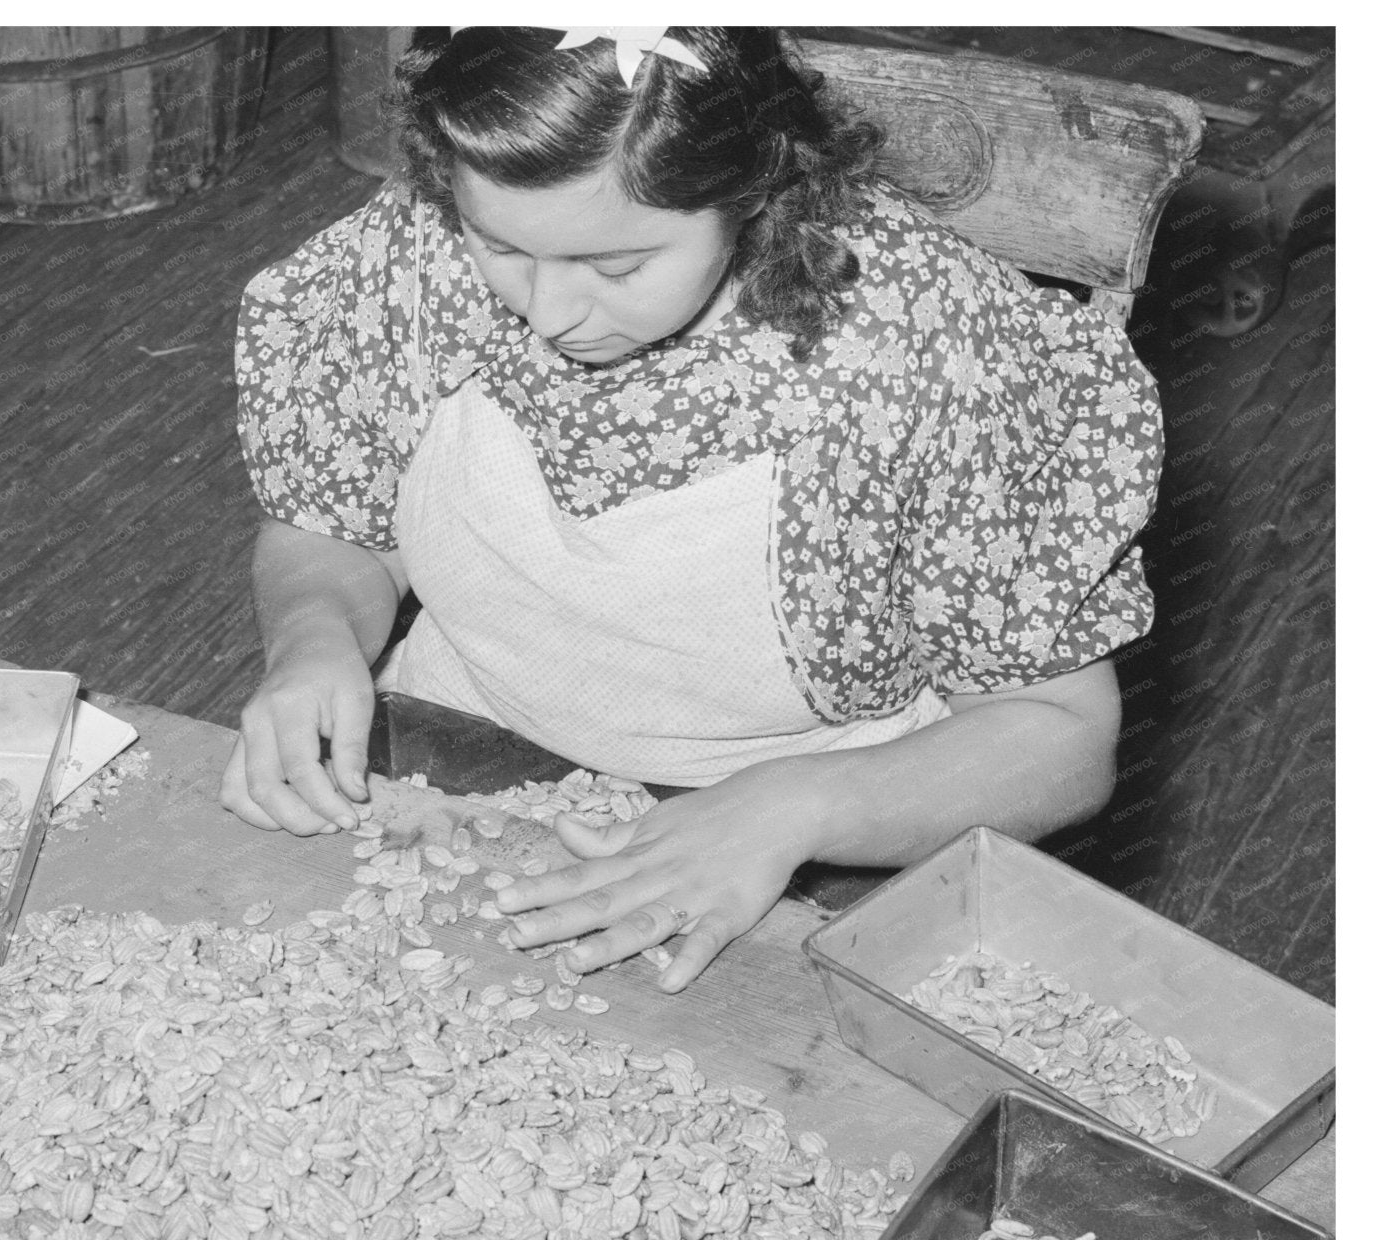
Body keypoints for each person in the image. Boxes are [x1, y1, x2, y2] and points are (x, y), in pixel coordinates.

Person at [221, 26, 1161, 992]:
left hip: (816, 819)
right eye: (499, 246)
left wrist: (795, 810)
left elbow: (1059, 736)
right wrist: (312, 637)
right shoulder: (418, 242)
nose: (548, 311)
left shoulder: (927, 355)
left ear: (754, 192)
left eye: (618, 268)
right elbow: (333, 526)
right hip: (457, 737)